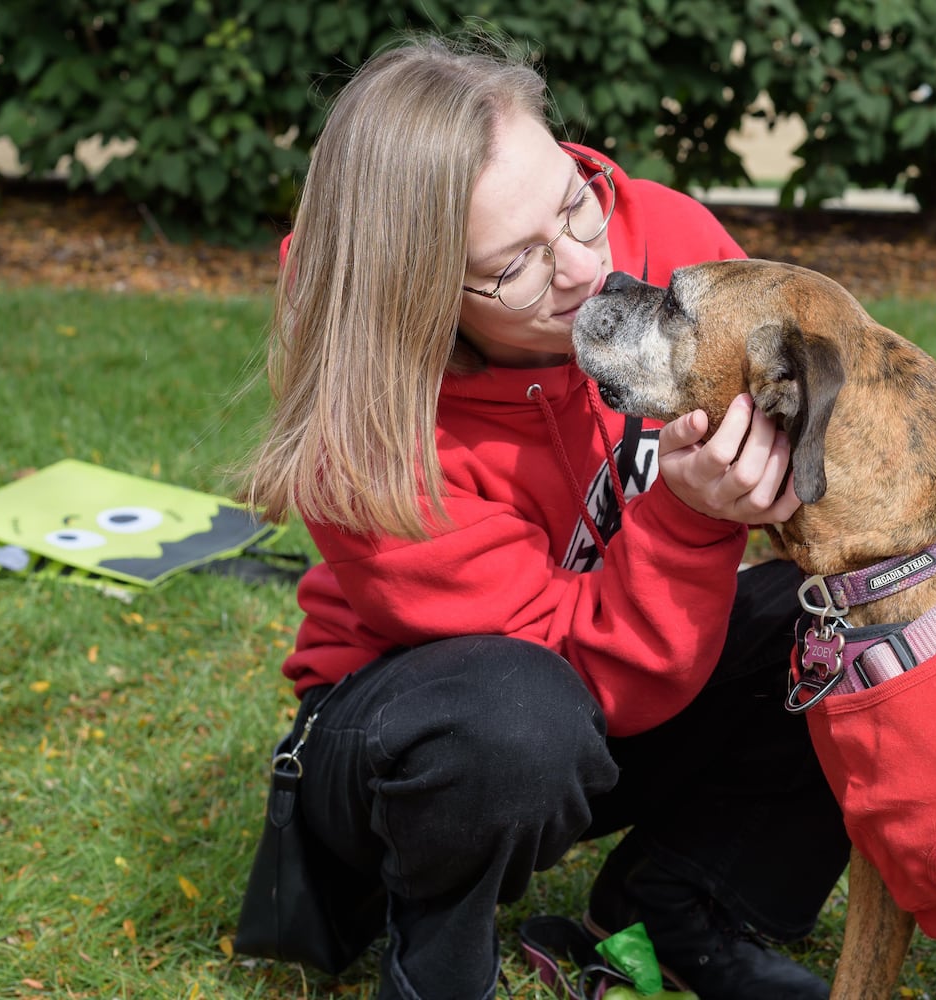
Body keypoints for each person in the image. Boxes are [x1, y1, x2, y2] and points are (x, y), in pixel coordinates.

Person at [239, 30, 850, 1000]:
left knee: (845, 623)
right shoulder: (369, 430)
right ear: (421, 298)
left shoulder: (663, 237)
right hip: (423, 732)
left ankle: (686, 901)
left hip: (616, 680)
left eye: (573, 200)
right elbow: (565, 675)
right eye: (515, 264)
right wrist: (691, 520)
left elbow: (812, 426)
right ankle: (437, 956)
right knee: (516, 719)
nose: (583, 267)